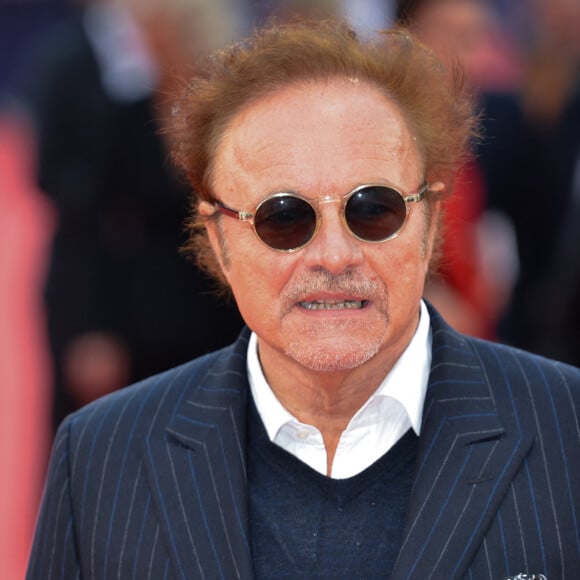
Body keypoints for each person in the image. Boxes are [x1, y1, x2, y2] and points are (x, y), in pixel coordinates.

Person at [27, 20, 580, 579]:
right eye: (284, 218)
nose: (335, 256)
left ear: (431, 223)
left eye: (373, 210)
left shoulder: (569, 429)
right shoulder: (100, 460)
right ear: (219, 241)